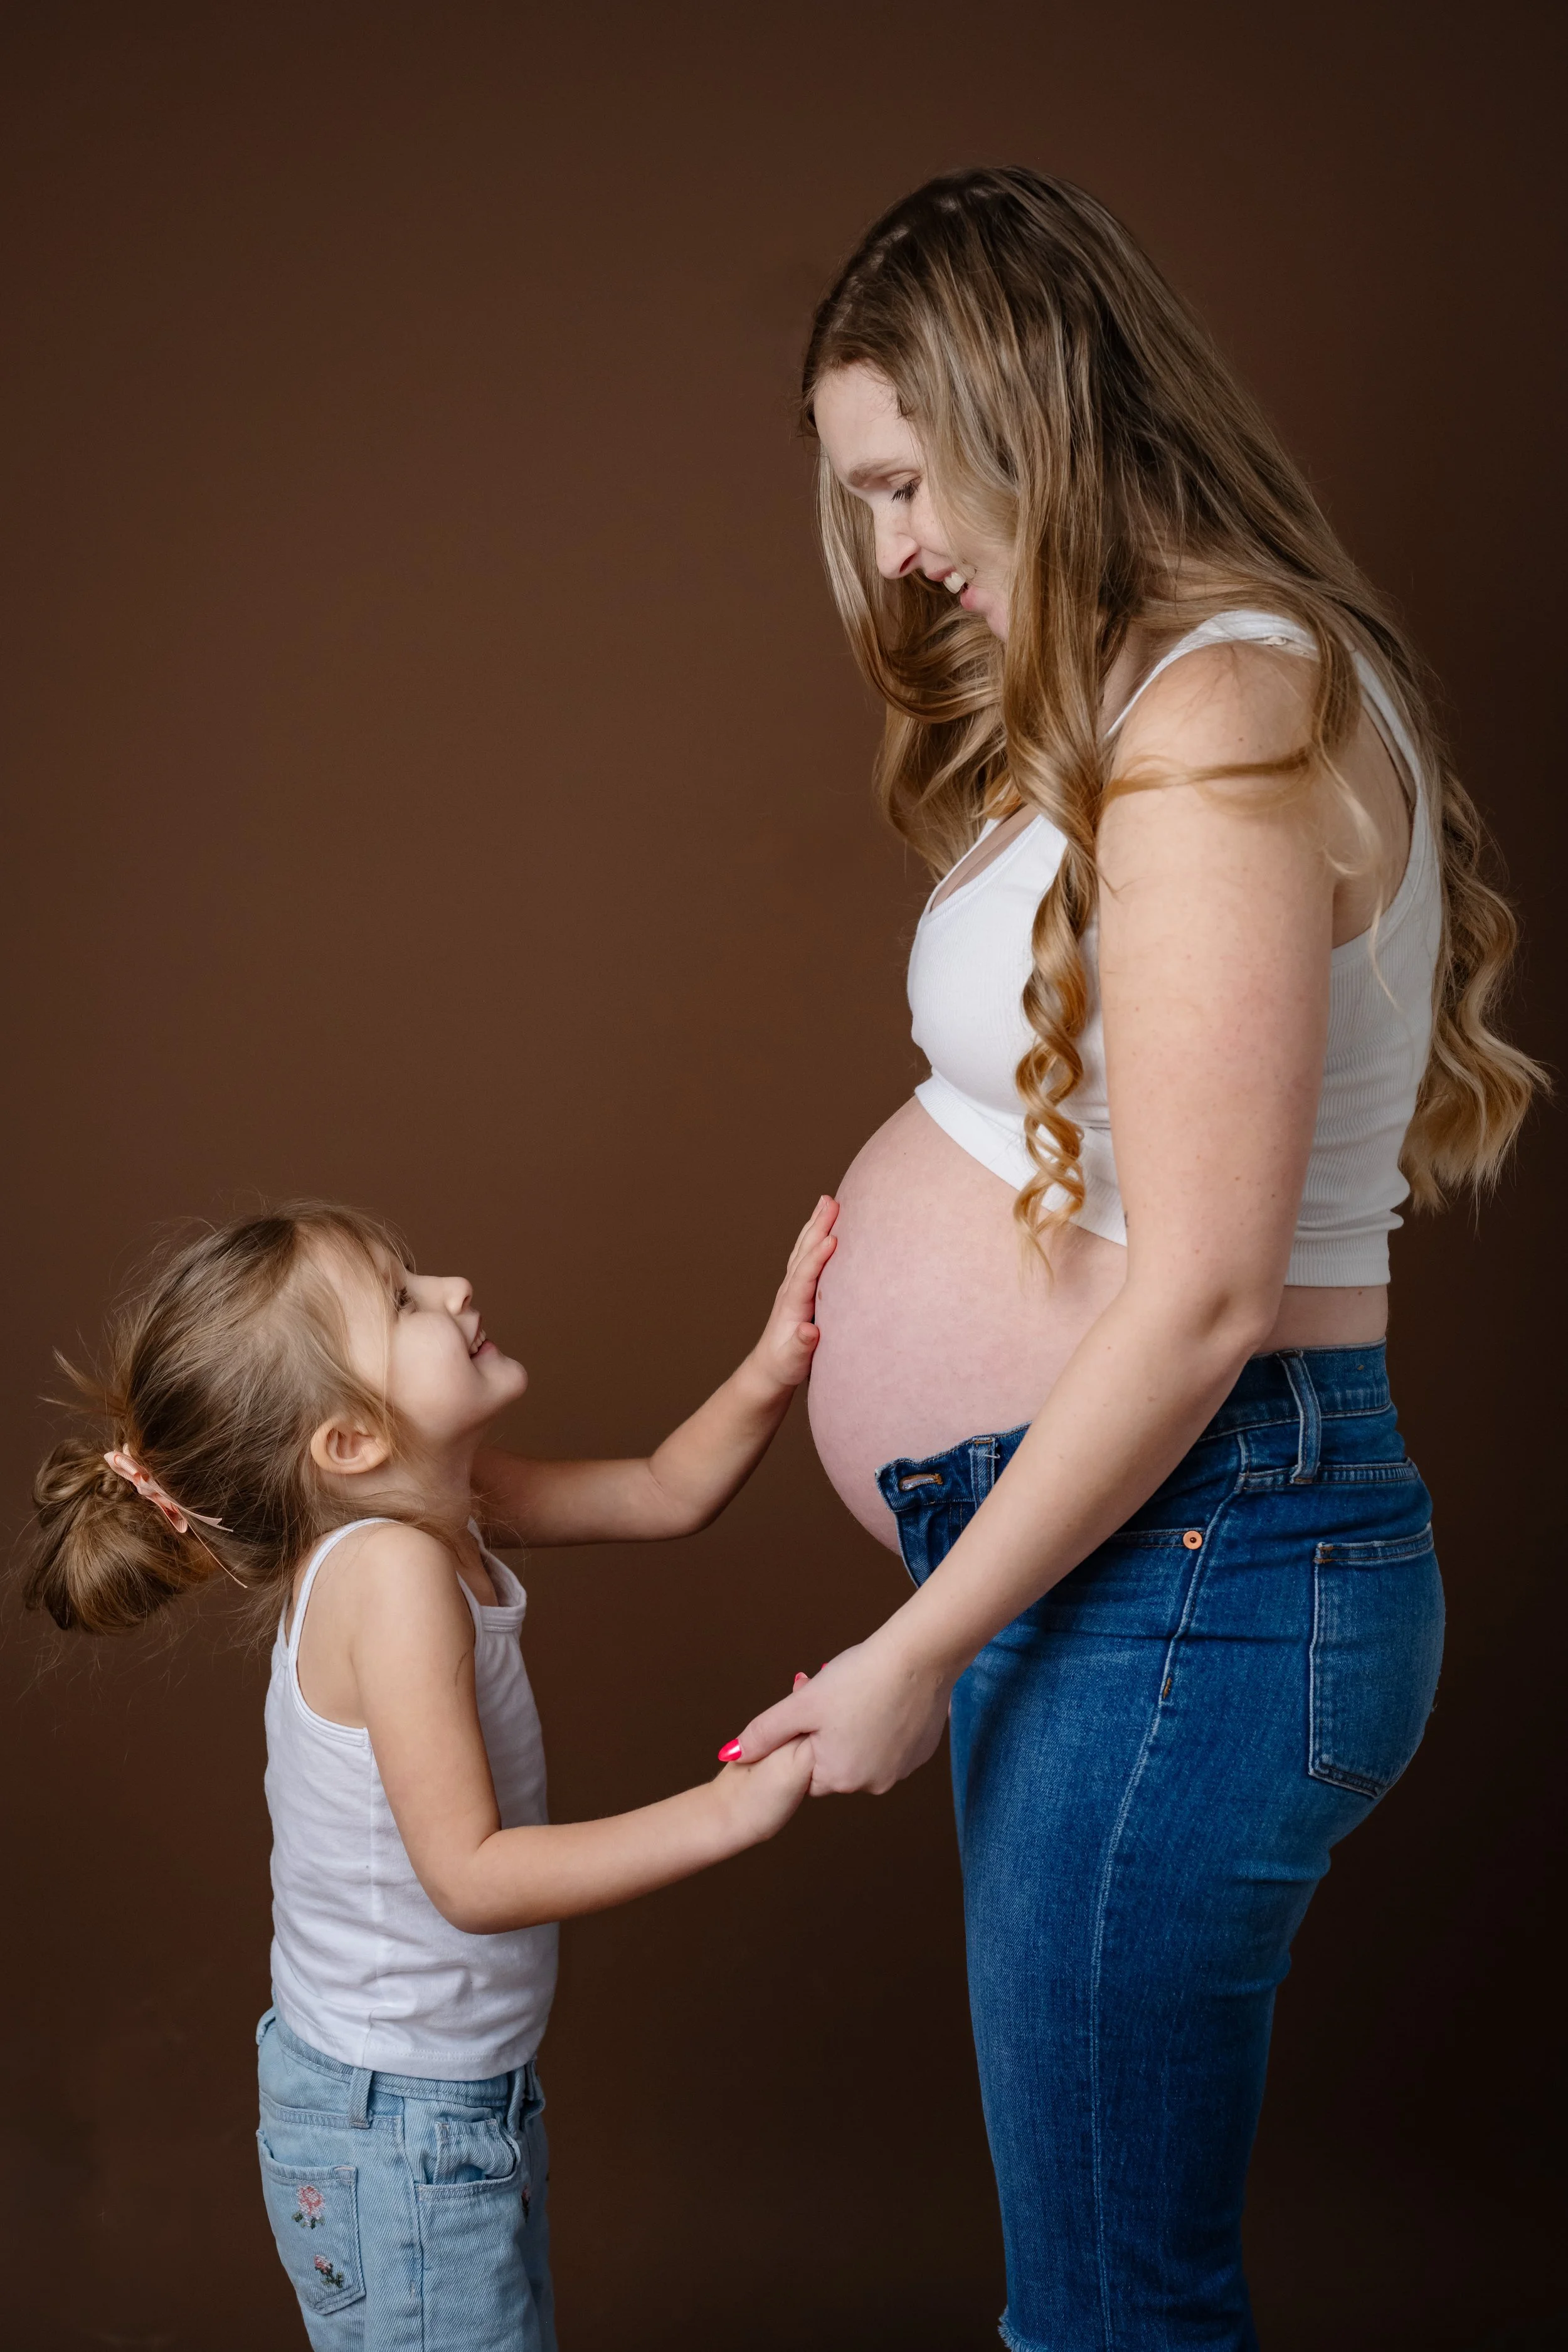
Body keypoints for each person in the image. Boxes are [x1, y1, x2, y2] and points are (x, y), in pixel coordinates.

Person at [721, 169, 1541, 2350]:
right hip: (1142, 1563)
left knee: (1105, 2312)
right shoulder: (1175, 689)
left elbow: (1199, 1293)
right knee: (1098, 2290)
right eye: (861, 493)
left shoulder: (1224, 715)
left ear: (1036, 417)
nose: (894, 547)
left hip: (1203, 1563)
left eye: (909, 480)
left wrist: (916, 1653)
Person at [23, 1194, 837, 2351]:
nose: (452, 1290)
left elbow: (666, 1489)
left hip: (433, 2102)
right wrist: (724, 1813)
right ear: (351, 1439)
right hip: (397, 2126)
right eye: (402, 1299)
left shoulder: (422, 1502)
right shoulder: (391, 1571)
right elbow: (471, 1874)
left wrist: (772, 1361)